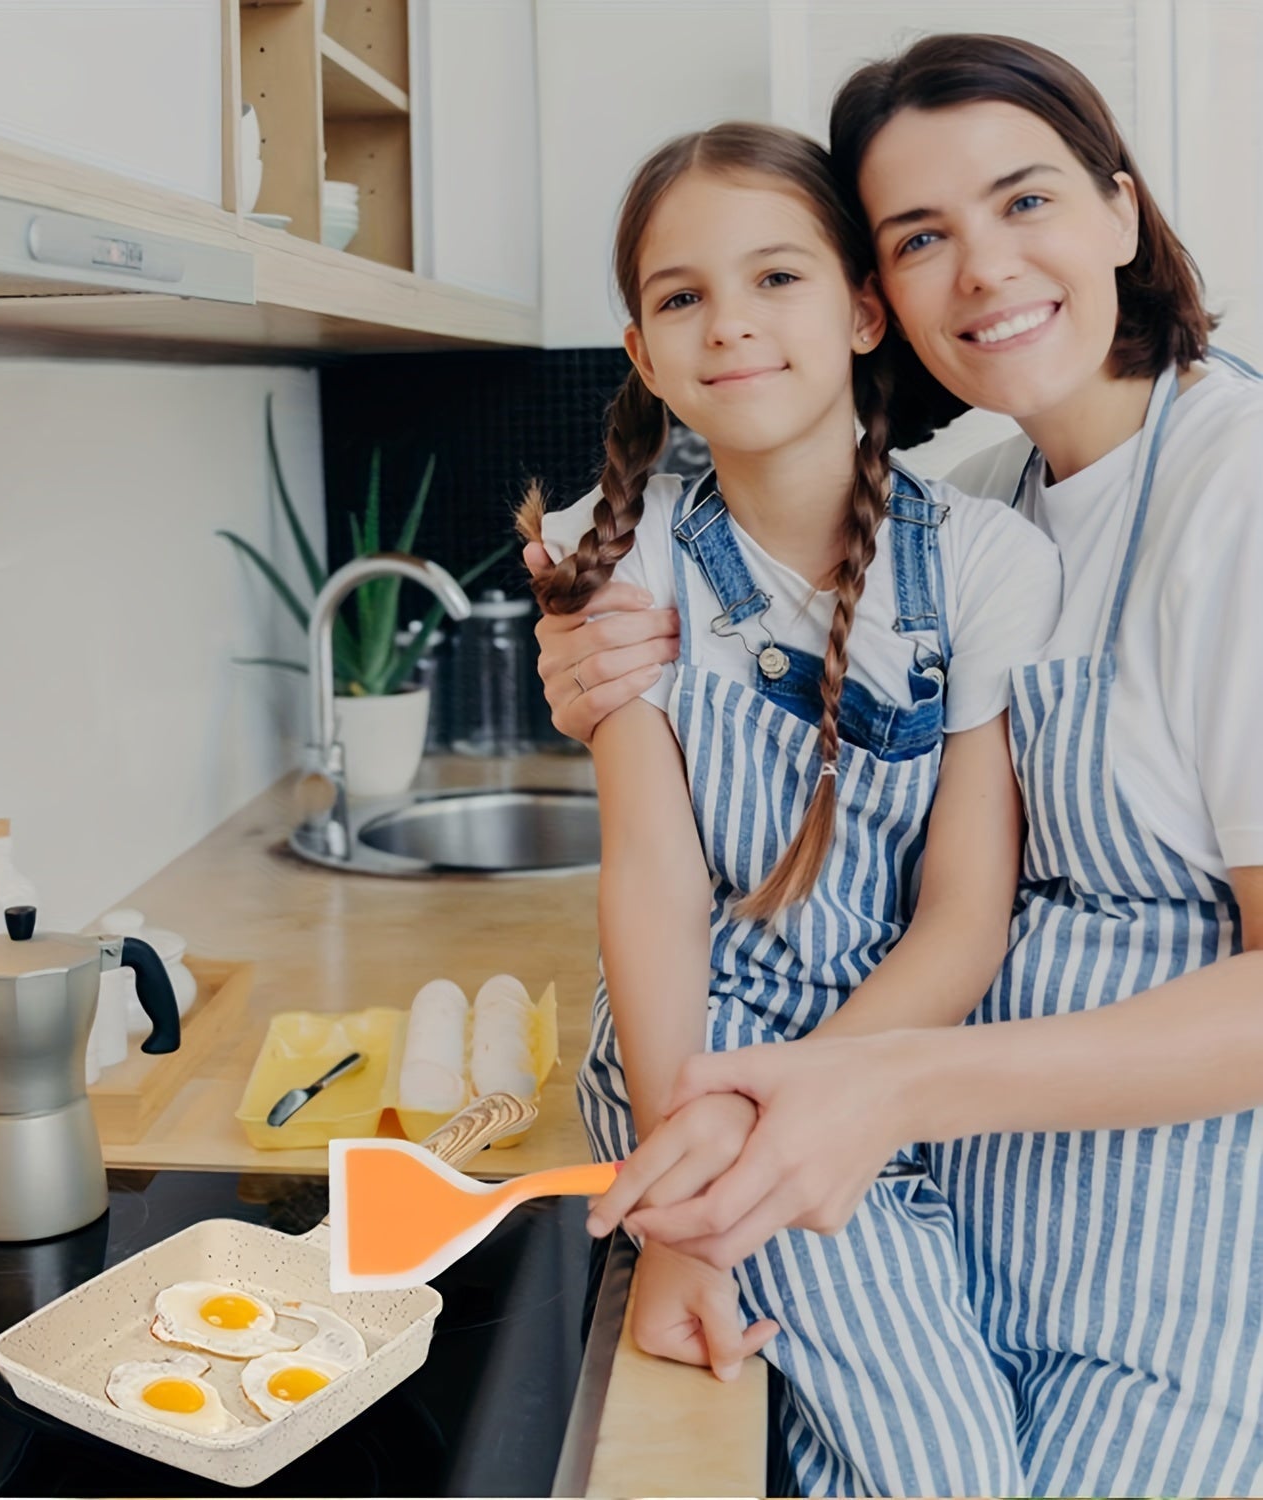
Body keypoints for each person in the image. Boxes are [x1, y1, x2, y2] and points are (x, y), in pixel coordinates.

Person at [530, 34, 1263, 1499]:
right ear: (889, 293)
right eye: (925, 235)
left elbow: (970, 914)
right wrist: (595, 673)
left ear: (1123, 212)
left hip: (1144, 1259)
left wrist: (858, 1095)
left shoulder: (1232, 494)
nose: (984, 270)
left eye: (1028, 202)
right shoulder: (981, 493)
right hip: (940, 1207)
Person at [517, 118, 1062, 1497]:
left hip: (892, 1066)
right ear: (641, 351)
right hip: (688, 1064)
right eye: (681, 296)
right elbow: (651, 884)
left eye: (777, 279)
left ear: (865, 310)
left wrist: (816, 1109)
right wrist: (683, 1210)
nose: (729, 327)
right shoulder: (622, 552)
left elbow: (963, 920)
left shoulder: (991, 563)